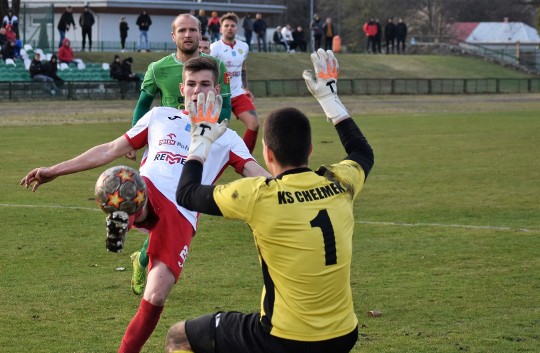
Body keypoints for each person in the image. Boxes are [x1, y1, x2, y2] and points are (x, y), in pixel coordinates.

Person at [20, 55, 270, 353]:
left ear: (217, 91)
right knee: (123, 180)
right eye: (191, 84)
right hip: (147, 189)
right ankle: (128, 214)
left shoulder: (228, 138)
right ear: (182, 88)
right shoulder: (160, 116)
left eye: (205, 84)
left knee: (155, 296)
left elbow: (258, 175)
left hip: (182, 214)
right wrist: (54, 170)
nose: (197, 91)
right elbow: (111, 149)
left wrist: (301, 187)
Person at [166, 48, 373, 353]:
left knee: (178, 337)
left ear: (268, 154)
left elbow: (186, 194)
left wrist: (200, 141)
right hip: (344, 333)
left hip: (283, 337)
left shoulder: (258, 195)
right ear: (311, 148)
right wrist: (331, 102)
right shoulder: (340, 182)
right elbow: (362, 153)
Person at [127, 15, 233, 295]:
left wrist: (214, 133)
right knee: (167, 210)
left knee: (178, 211)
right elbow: (143, 106)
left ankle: (142, 257)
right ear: (173, 36)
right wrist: (134, 138)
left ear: (200, 34)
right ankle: (145, 261)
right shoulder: (158, 68)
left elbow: (226, 108)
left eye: (193, 30)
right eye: (182, 30)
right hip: (167, 145)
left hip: (200, 146)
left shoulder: (217, 66)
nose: (188, 35)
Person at [210, 12, 260, 153]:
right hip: (220, 96)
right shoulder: (215, 48)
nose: (229, 28)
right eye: (226, 25)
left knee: (254, 124)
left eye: (232, 25)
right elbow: (209, 72)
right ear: (221, 29)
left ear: (237, 29)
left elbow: (243, 68)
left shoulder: (243, 47)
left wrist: (245, 88)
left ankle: (244, 157)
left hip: (238, 93)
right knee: (214, 132)